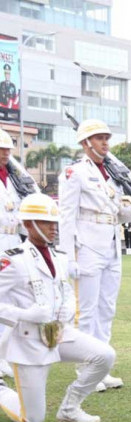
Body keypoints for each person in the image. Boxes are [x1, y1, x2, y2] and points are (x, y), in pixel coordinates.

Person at [0, 193, 116, 422]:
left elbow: (64, 289)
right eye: (46, 223)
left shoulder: (60, 257)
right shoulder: (13, 260)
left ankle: (70, 408)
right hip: (29, 341)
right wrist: (24, 315)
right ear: (28, 224)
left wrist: (67, 308)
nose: (54, 229)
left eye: (55, 223)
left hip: (59, 333)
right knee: (32, 420)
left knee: (104, 355)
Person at [57, 119, 131, 391]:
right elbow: (67, 216)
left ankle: (101, 367)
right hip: (86, 247)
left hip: (112, 245)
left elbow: (113, 213)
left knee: (106, 309)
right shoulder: (74, 173)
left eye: (106, 138)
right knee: (86, 311)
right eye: (99, 138)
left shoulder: (112, 174)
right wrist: (68, 255)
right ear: (86, 143)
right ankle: (86, 368)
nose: (105, 143)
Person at [0, 128, 37, 379]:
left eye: (8, 149)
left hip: (13, 240)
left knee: (12, 301)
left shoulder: (13, 178)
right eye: (1, 149)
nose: (6, 153)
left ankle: (4, 355)